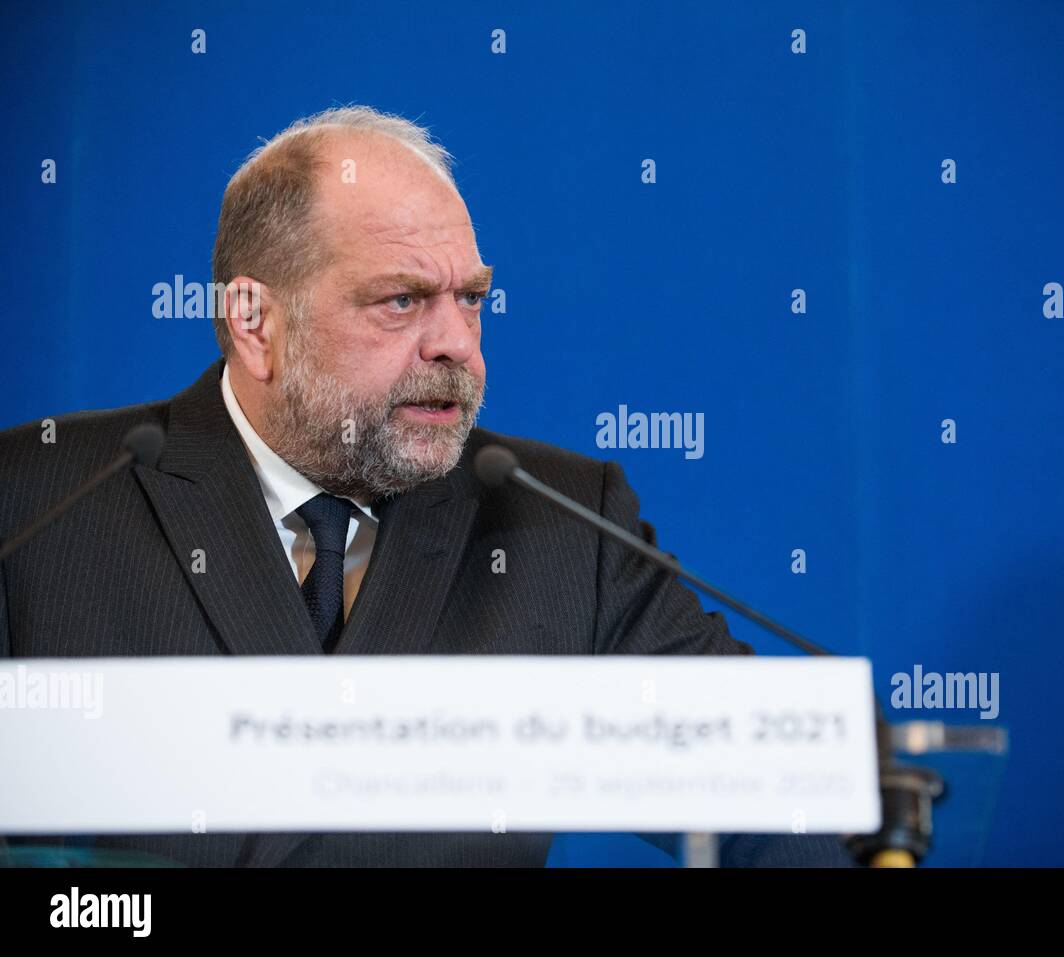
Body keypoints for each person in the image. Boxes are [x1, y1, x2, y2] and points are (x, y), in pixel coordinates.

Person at [0, 106, 854, 867]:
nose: (457, 345)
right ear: (253, 323)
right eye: (402, 301)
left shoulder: (560, 525)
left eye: (471, 299)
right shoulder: (37, 505)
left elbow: (774, 799)